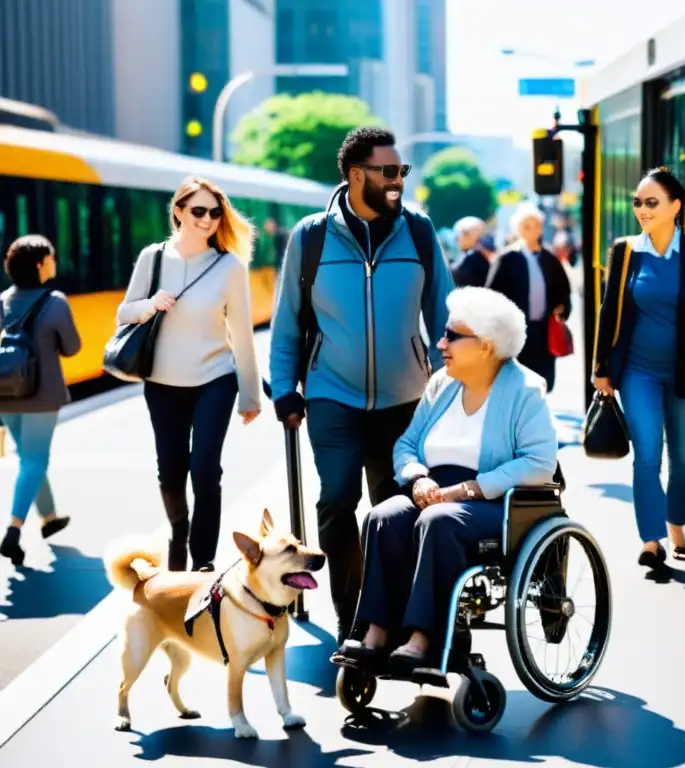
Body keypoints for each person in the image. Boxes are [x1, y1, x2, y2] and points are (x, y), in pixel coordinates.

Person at [268, 127, 455, 654]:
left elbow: (444, 310)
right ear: (356, 176)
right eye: (388, 172)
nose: (398, 181)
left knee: (394, 508)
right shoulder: (311, 238)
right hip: (333, 397)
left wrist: (458, 376)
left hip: (406, 399)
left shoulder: (417, 232)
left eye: (402, 172)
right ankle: (353, 619)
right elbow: (287, 325)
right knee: (337, 501)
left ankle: (394, 617)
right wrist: (285, 389)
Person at [337, 286, 558, 669]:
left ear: (486, 346)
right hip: (432, 490)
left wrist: (470, 488)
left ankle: (426, 638)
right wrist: (418, 477)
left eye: (452, 336)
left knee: (438, 521)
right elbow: (406, 444)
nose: (440, 344)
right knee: (382, 518)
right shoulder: (441, 385)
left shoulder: (525, 390)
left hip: (493, 501)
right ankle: (377, 632)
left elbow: (540, 462)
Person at [115, 176, 261, 573]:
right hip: (162, 385)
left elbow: (242, 333)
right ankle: (178, 531)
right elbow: (124, 313)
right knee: (171, 471)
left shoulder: (229, 265)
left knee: (206, 469)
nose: (208, 219)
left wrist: (250, 394)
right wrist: (150, 304)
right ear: (178, 212)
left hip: (215, 380)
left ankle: (203, 563)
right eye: (198, 211)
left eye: (215, 212)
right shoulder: (154, 258)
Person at [592, 167, 685, 568]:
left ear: (676, 206)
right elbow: (608, 313)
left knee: (683, 459)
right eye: (637, 202)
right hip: (639, 373)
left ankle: (677, 525)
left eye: (651, 202)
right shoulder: (625, 251)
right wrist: (603, 369)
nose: (642, 209)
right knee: (647, 455)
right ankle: (651, 540)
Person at [0, 235, 82, 565]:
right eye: (51, 257)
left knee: (30, 458)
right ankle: (13, 531)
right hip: (41, 398)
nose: (55, 263)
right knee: (34, 461)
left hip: (5, 396)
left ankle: (49, 519)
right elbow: (72, 347)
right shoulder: (56, 302)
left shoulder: (3, 300)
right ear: (39, 264)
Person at [486, 203, 572, 393]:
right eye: (526, 226)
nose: (532, 230)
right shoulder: (507, 259)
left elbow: (563, 291)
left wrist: (562, 308)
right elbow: (492, 294)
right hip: (516, 332)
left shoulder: (549, 259)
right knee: (517, 382)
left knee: (543, 381)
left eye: (536, 225)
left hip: (543, 331)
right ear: (518, 230)